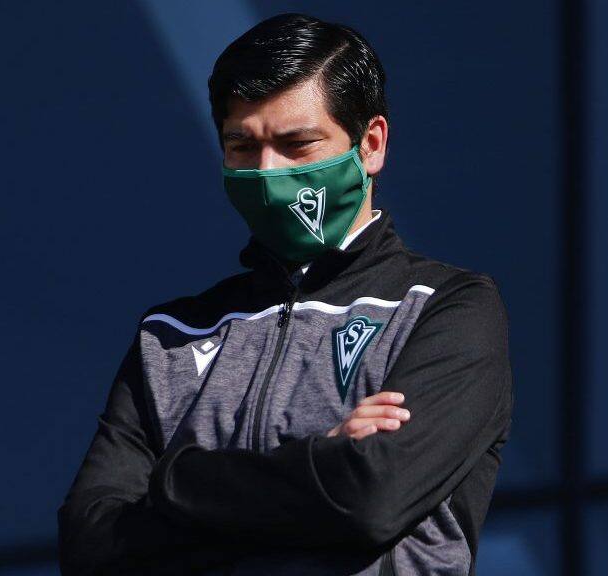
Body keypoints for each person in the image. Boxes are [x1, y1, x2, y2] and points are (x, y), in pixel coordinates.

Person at [57, 12, 513, 576]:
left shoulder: (444, 307)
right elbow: (90, 544)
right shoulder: (171, 337)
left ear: (370, 145)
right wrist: (322, 457)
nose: (268, 175)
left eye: (297, 145)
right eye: (242, 147)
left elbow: (370, 501)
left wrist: (176, 479)